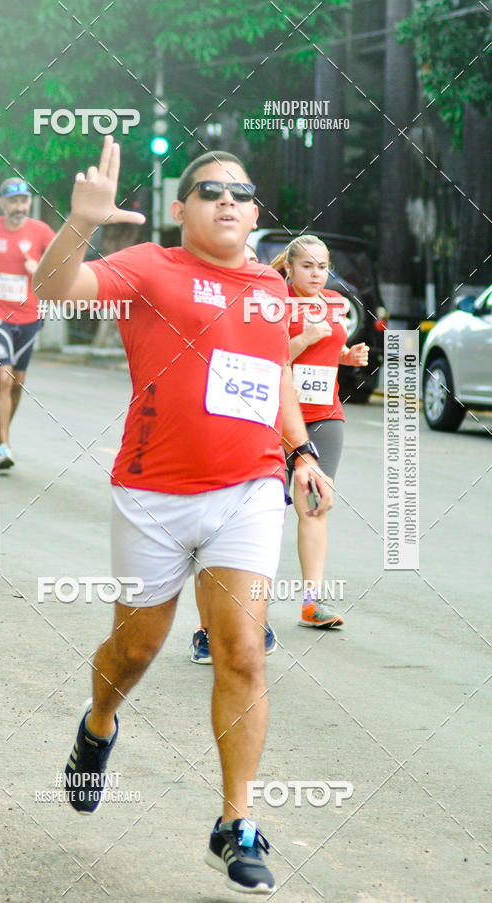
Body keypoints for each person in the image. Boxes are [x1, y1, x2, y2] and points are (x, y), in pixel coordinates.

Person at [34, 136, 333, 895]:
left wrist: (301, 453)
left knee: (242, 649)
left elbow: (274, 380)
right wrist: (81, 225)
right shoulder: (150, 267)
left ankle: (235, 822)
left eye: (240, 189)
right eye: (209, 190)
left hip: (249, 491)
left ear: (255, 210)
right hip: (154, 496)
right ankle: (98, 724)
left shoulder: (271, 287)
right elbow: (56, 289)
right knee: (135, 651)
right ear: (179, 209)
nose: (227, 199)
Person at [272, 235, 369, 628]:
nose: (316, 274)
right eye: (308, 266)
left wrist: (347, 357)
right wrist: (305, 338)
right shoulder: (275, 302)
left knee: (314, 503)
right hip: (278, 417)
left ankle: (312, 602)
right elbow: (267, 357)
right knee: (263, 511)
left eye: (322, 266)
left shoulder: (333, 302)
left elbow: (328, 350)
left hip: (325, 415)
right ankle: (239, 605)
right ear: (291, 268)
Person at [190, 241, 276, 664]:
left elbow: (285, 369)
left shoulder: (270, 307)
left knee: (254, 542)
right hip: (204, 450)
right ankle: (206, 630)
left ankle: (251, 617)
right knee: (205, 550)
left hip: (260, 452)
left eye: (253, 260)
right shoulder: (204, 307)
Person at [0, 178, 54, 469]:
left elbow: (61, 267)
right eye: (13, 201)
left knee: (17, 383)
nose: (19, 206)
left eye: (23, 200)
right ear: (2, 203)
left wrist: (39, 269)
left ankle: (1, 434)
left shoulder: (41, 232)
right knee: (2, 377)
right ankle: (2, 445)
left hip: (30, 314)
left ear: (29, 202)